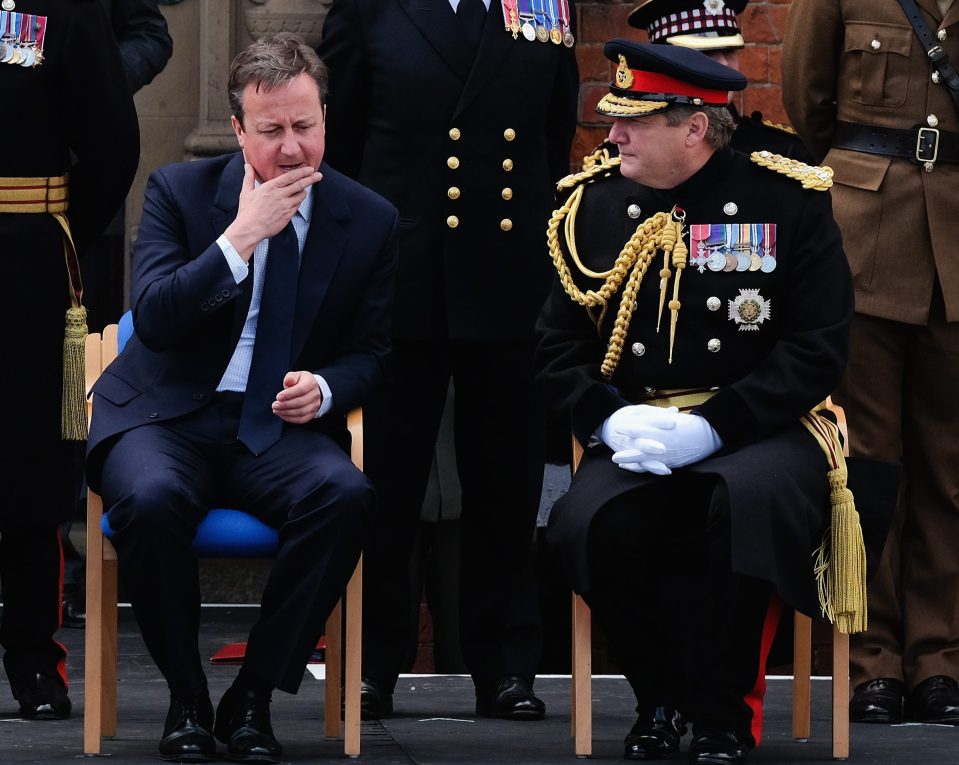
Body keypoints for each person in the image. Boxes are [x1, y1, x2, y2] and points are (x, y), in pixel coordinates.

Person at [535, 40, 859, 763]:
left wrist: (714, 428)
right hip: (642, 425)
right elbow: (555, 351)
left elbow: (816, 347)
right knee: (583, 524)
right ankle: (660, 699)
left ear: (692, 127)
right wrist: (610, 417)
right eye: (612, 119)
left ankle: (718, 712)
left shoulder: (785, 198)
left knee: (741, 504)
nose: (611, 133)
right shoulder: (589, 206)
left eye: (632, 121)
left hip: (760, 424)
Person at [85, 33, 398, 762]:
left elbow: (372, 353)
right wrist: (240, 237)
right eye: (272, 131)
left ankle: (252, 693)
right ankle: (186, 696)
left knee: (345, 495)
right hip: (167, 415)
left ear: (326, 117)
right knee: (154, 497)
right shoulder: (179, 192)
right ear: (237, 129)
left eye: (306, 126)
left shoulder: (369, 217)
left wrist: (323, 388)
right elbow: (155, 321)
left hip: (276, 430)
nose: (292, 149)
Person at [317, 0, 579, 720]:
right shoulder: (369, 12)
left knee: (507, 481)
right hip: (403, 273)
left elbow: (555, 137)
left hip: (506, 272)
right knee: (386, 484)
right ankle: (371, 662)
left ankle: (504, 666)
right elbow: (342, 149)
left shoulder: (544, 7)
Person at [783, 0, 959, 726]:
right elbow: (806, 100)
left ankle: (939, 658)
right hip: (864, 236)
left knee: (949, 470)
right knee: (867, 467)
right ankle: (871, 661)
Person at [0, 0, 139, 719]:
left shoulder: (63, 9)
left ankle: (33, 660)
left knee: (29, 472)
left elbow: (112, 141)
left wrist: (52, 234)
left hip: (26, 269)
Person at [60, 0, 174, 631]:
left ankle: (72, 561)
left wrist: (89, 77)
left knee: (76, 390)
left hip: (79, 195)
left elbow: (150, 36)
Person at [628, 0, 814, 161]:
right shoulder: (627, 156)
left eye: (729, 51)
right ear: (663, 62)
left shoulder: (785, 153)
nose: (724, 64)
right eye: (706, 53)